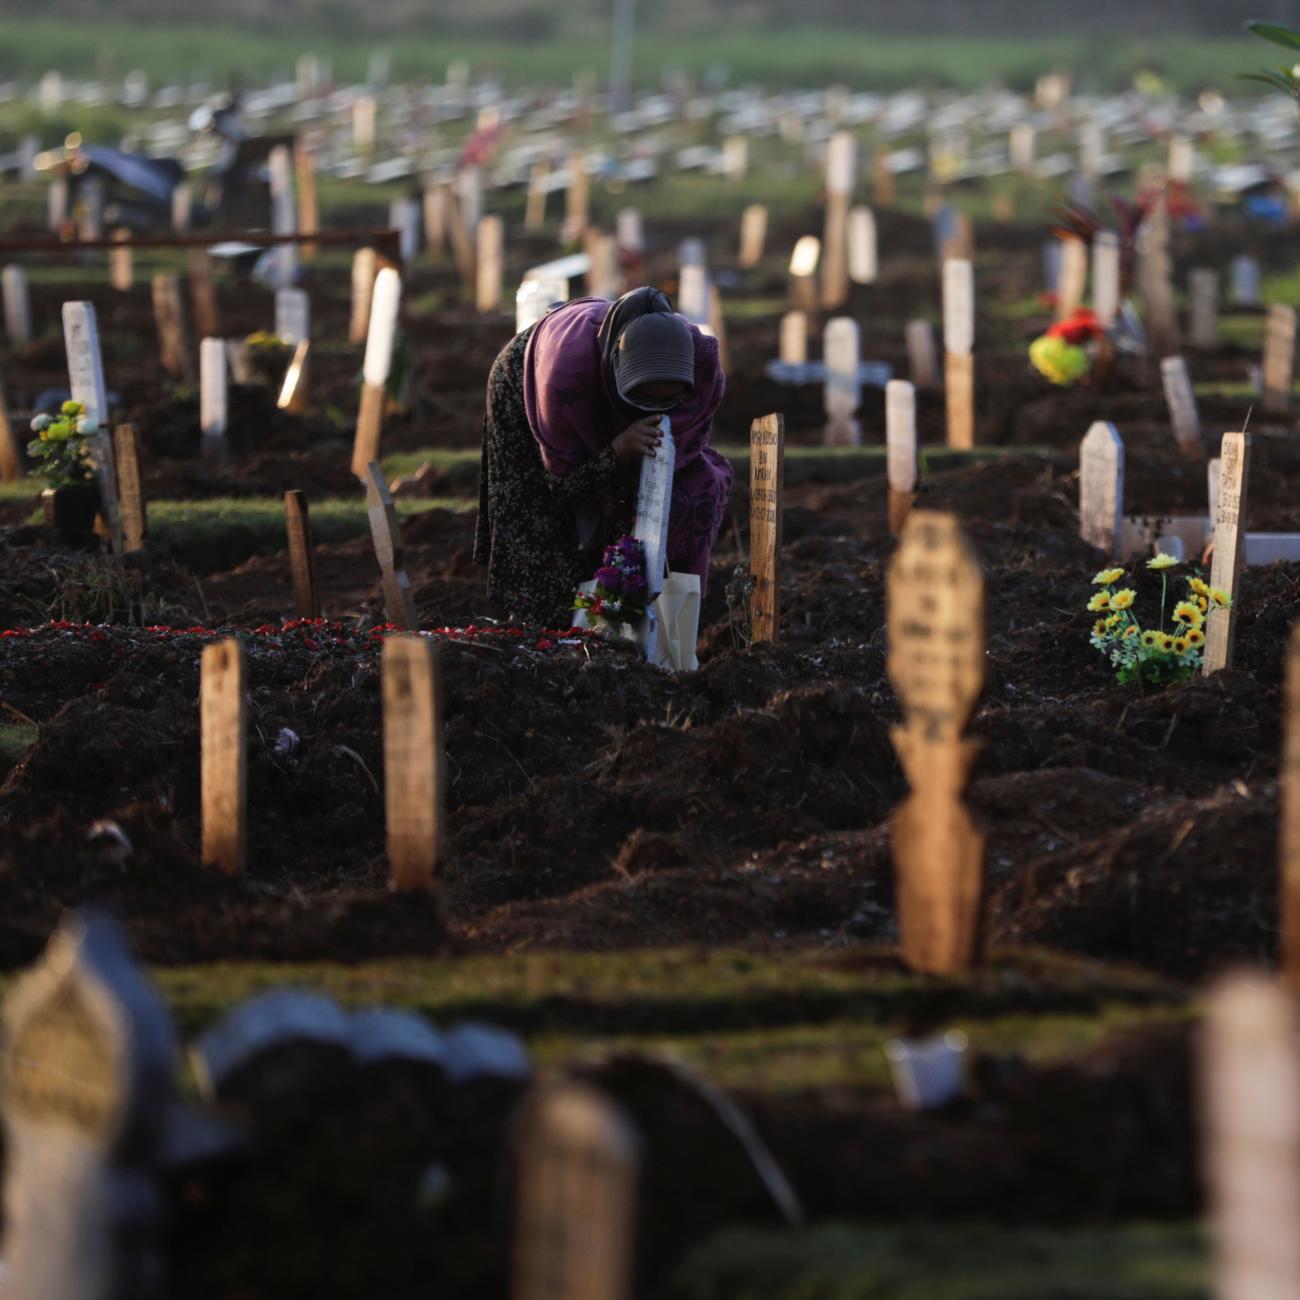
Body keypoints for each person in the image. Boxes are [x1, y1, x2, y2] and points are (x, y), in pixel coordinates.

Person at [474, 286, 732, 626]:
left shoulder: (701, 363)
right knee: (538, 516)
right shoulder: (564, 379)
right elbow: (564, 485)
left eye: (666, 402)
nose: (655, 411)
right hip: (527, 383)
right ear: (618, 376)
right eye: (643, 401)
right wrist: (618, 450)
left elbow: (683, 447)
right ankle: (540, 624)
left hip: (598, 378)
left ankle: (615, 614)